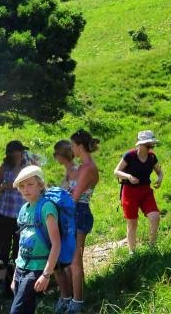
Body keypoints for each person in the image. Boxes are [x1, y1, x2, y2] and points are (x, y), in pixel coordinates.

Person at [10, 165, 61, 314]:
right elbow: (21, 243)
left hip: (37, 267)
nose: (26, 189)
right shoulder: (23, 209)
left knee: (16, 311)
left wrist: (46, 275)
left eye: (30, 184)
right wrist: (14, 276)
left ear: (40, 185)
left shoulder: (47, 207)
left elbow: (56, 244)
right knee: (27, 309)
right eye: (22, 186)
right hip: (21, 268)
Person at [62, 129, 100, 314]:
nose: (71, 149)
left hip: (79, 213)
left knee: (75, 261)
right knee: (71, 261)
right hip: (74, 213)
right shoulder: (83, 166)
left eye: (72, 146)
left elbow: (74, 197)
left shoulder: (88, 168)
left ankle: (77, 303)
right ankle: (72, 299)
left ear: (79, 146)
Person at [114, 130, 163, 254]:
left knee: (155, 217)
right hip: (129, 192)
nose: (151, 146)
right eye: (148, 144)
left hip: (146, 191)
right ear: (140, 144)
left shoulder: (152, 156)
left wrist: (159, 179)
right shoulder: (129, 156)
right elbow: (116, 171)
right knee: (132, 222)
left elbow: (159, 171)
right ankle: (132, 252)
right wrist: (129, 177)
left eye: (151, 144)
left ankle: (152, 248)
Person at [0, 140, 30, 296]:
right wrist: (3, 186)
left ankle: (16, 283)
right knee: (2, 249)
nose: (18, 156)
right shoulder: (4, 167)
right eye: (15, 154)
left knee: (19, 251)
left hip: (22, 216)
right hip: (4, 214)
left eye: (20, 153)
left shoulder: (28, 167)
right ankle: (1, 284)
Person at [52, 139, 78, 313]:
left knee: (67, 262)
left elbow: (73, 196)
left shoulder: (74, 172)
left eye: (56, 154)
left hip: (69, 221)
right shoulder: (70, 171)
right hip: (64, 219)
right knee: (60, 262)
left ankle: (70, 299)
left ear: (60, 156)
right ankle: (65, 296)